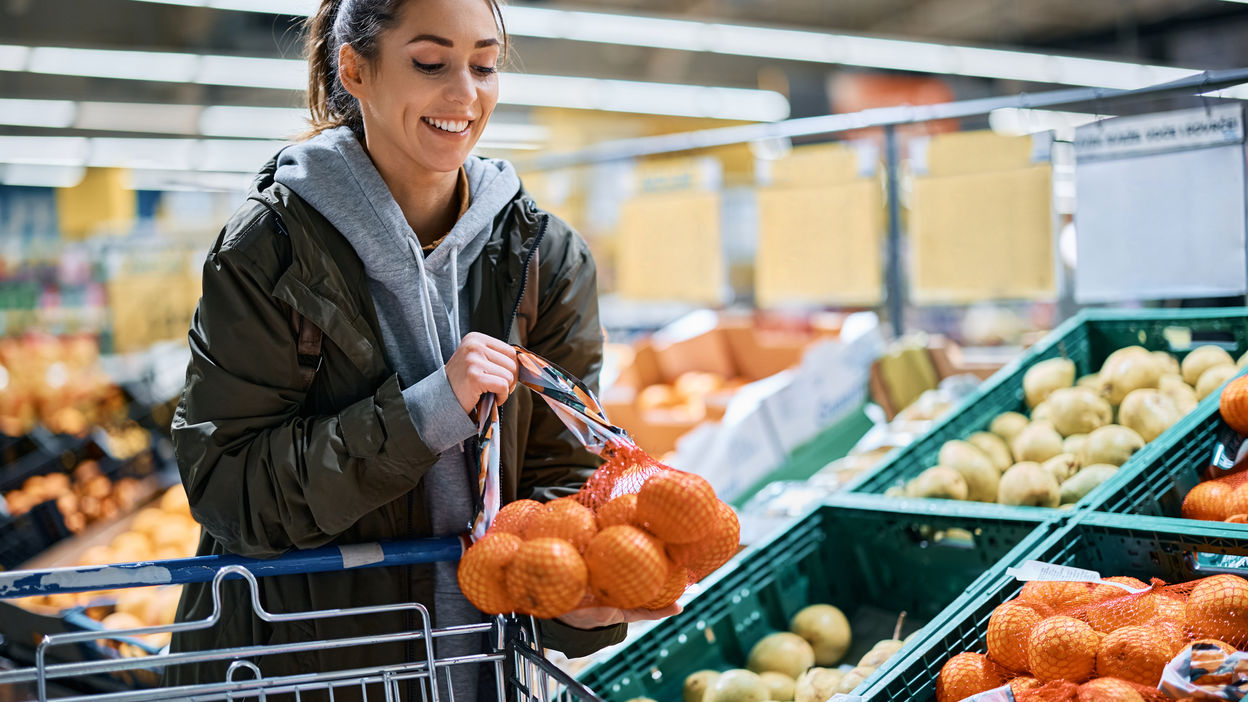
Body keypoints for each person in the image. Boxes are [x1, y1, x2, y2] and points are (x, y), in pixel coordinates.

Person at [165, 0, 673, 698]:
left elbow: (563, 477)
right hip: (302, 674)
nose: (464, 93)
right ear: (356, 68)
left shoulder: (542, 261)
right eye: (431, 63)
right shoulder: (269, 252)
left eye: (485, 65)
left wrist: (575, 598)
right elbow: (229, 488)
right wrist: (427, 412)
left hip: (478, 670)